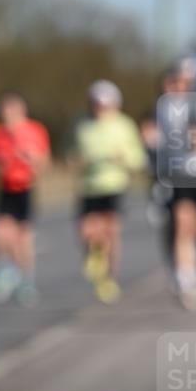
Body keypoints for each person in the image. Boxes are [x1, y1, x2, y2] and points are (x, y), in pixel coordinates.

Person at [146, 60, 196, 310]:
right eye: (179, 81)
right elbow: (163, 135)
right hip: (181, 175)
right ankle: (186, 280)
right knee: (183, 224)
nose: (183, 86)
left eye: (188, 82)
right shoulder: (167, 106)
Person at [73, 80, 146, 303]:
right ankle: (94, 256)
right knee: (87, 230)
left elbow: (138, 158)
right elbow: (71, 153)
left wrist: (122, 158)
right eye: (97, 103)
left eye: (105, 104)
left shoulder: (124, 125)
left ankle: (109, 275)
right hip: (88, 185)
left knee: (110, 229)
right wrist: (76, 161)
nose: (101, 108)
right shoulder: (81, 125)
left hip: (114, 183)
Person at [0, 92, 50, 305]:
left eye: (12, 111)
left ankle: (26, 280)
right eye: (5, 112)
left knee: (23, 238)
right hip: (5, 188)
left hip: (25, 187)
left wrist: (32, 160)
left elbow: (44, 163)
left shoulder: (35, 130)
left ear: (22, 112)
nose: (8, 116)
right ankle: (6, 270)